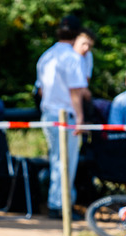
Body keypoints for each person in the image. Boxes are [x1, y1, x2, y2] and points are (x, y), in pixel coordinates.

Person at [35, 17, 93, 220]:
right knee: (66, 162)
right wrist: (80, 119)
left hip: (49, 114)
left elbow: (40, 90)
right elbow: (76, 92)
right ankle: (61, 206)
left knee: (57, 160)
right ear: (77, 34)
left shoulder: (46, 56)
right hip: (65, 116)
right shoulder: (72, 58)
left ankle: (58, 203)